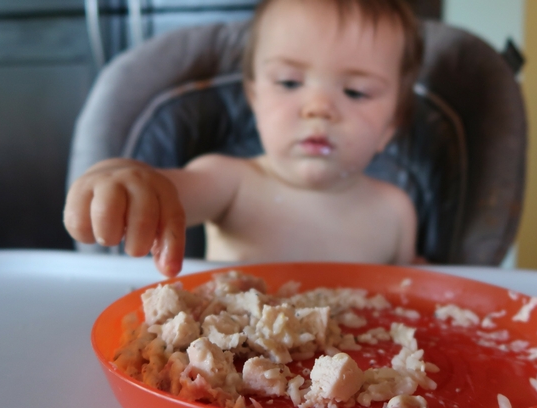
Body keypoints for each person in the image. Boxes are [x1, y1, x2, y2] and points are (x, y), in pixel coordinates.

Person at [63, 0, 424, 277]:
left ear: (391, 124)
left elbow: (408, 294)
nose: (319, 108)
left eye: (357, 92)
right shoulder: (228, 182)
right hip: (236, 370)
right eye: (288, 82)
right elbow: (163, 195)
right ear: (255, 101)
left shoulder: (396, 211)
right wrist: (126, 178)